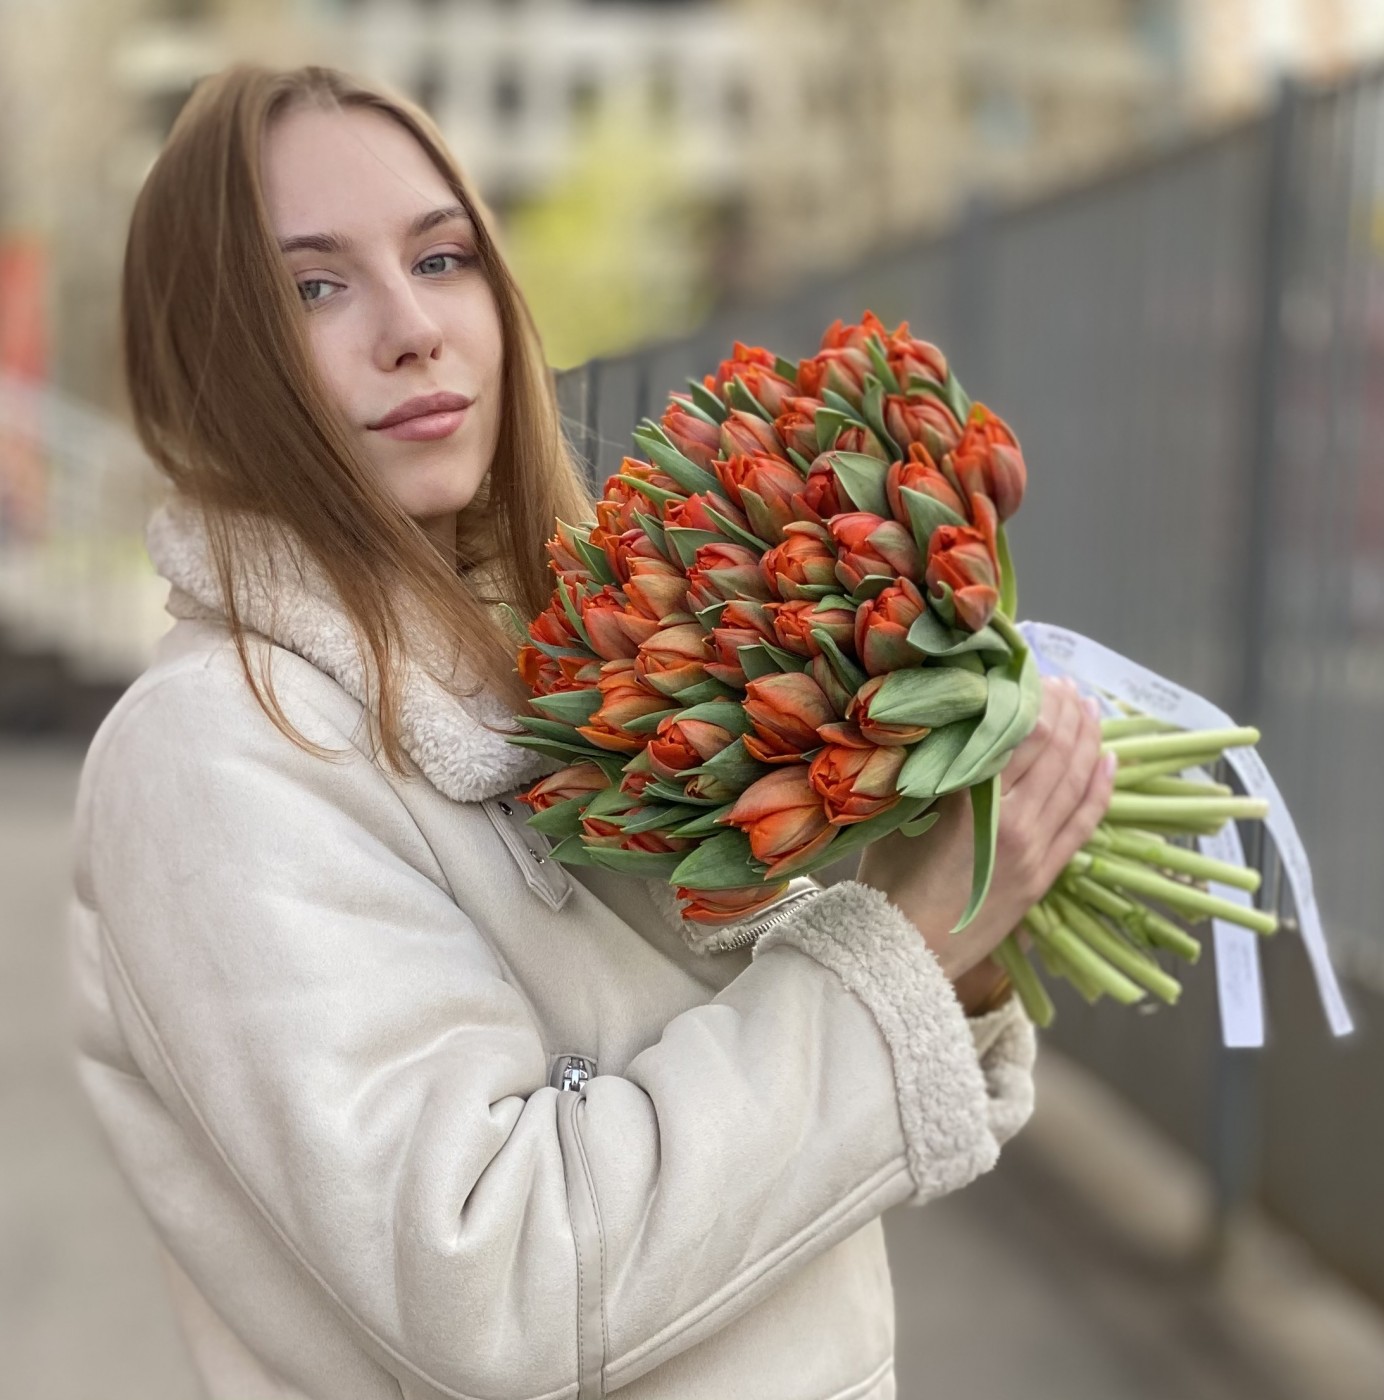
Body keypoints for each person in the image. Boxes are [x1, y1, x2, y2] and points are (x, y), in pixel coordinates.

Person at [67, 62, 1115, 1400]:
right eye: (312, 288)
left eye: (441, 258)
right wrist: (902, 948)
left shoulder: (537, 668)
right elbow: (499, 1285)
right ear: (203, 358)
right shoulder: (212, 758)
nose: (411, 327)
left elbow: (741, 1188)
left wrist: (957, 965)